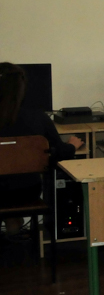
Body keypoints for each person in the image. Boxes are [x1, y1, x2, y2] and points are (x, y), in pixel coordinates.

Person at [0, 63, 83, 238]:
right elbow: (59, 153)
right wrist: (72, 146)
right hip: (26, 190)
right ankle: (14, 228)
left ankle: (11, 228)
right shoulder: (37, 117)